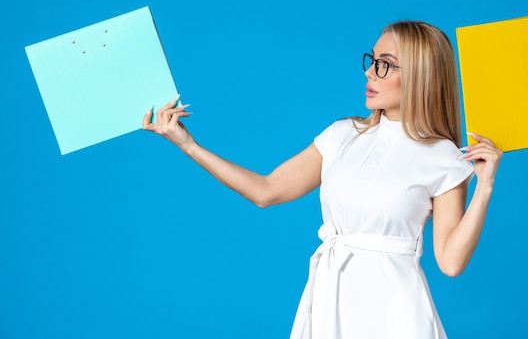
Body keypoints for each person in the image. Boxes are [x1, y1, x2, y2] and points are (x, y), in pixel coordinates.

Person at [143, 20, 503, 339]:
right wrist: (188, 145)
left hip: (395, 312)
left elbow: (450, 262)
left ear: (421, 74)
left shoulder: (443, 157)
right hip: (330, 299)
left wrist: (484, 187)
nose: (369, 73)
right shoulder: (341, 135)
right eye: (371, 60)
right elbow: (266, 191)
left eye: (385, 65)